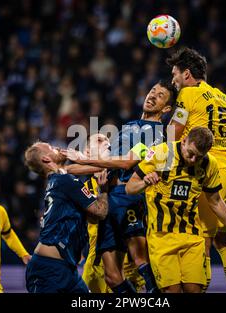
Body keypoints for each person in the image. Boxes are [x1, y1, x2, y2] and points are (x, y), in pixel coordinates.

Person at [63, 80, 177, 293]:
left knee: (140, 259)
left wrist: (82, 160)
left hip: (130, 197)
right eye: (152, 90)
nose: (152, 96)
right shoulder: (129, 125)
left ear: (167, 108)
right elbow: (104, 165)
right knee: (112, 276)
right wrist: (64, 168)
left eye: (160, 95)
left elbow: (127, 162)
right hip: (108, 199)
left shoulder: (158, 134)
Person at [126, 127, 226, 293]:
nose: (192, 160)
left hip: (192, 236)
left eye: (198, 157)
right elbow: (130, 188)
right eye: (190, 153)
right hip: (161, 237)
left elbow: (216, 202)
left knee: (194, 290)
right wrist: (145, 183)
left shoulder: (209, 164)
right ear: (183, 141)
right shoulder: (161, 152)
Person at [166, 47, 226, 292]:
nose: (172, 80)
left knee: (201, 243)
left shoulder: (188, 94)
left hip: (208, 172)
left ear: (186, 74)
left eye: (174, 74)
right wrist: (221, 135)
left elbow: (173, 134)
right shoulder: (225, 98)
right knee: (223, 240)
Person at [23, 141, 109, 293]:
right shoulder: (65, 181)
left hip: (67, 269)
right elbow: (100, 212)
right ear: (46, 159)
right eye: (51, 148)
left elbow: (92, 218)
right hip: (48, 270)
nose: (57, 148)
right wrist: (104, 191)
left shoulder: (58, 181)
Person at [81, 134, 145, 292]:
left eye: (109, 141)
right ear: (88, 153)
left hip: (130, 267)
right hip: (96, 268)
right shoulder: (83, 188)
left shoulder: (131, 179)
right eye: (100, 140)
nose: (107, 143)